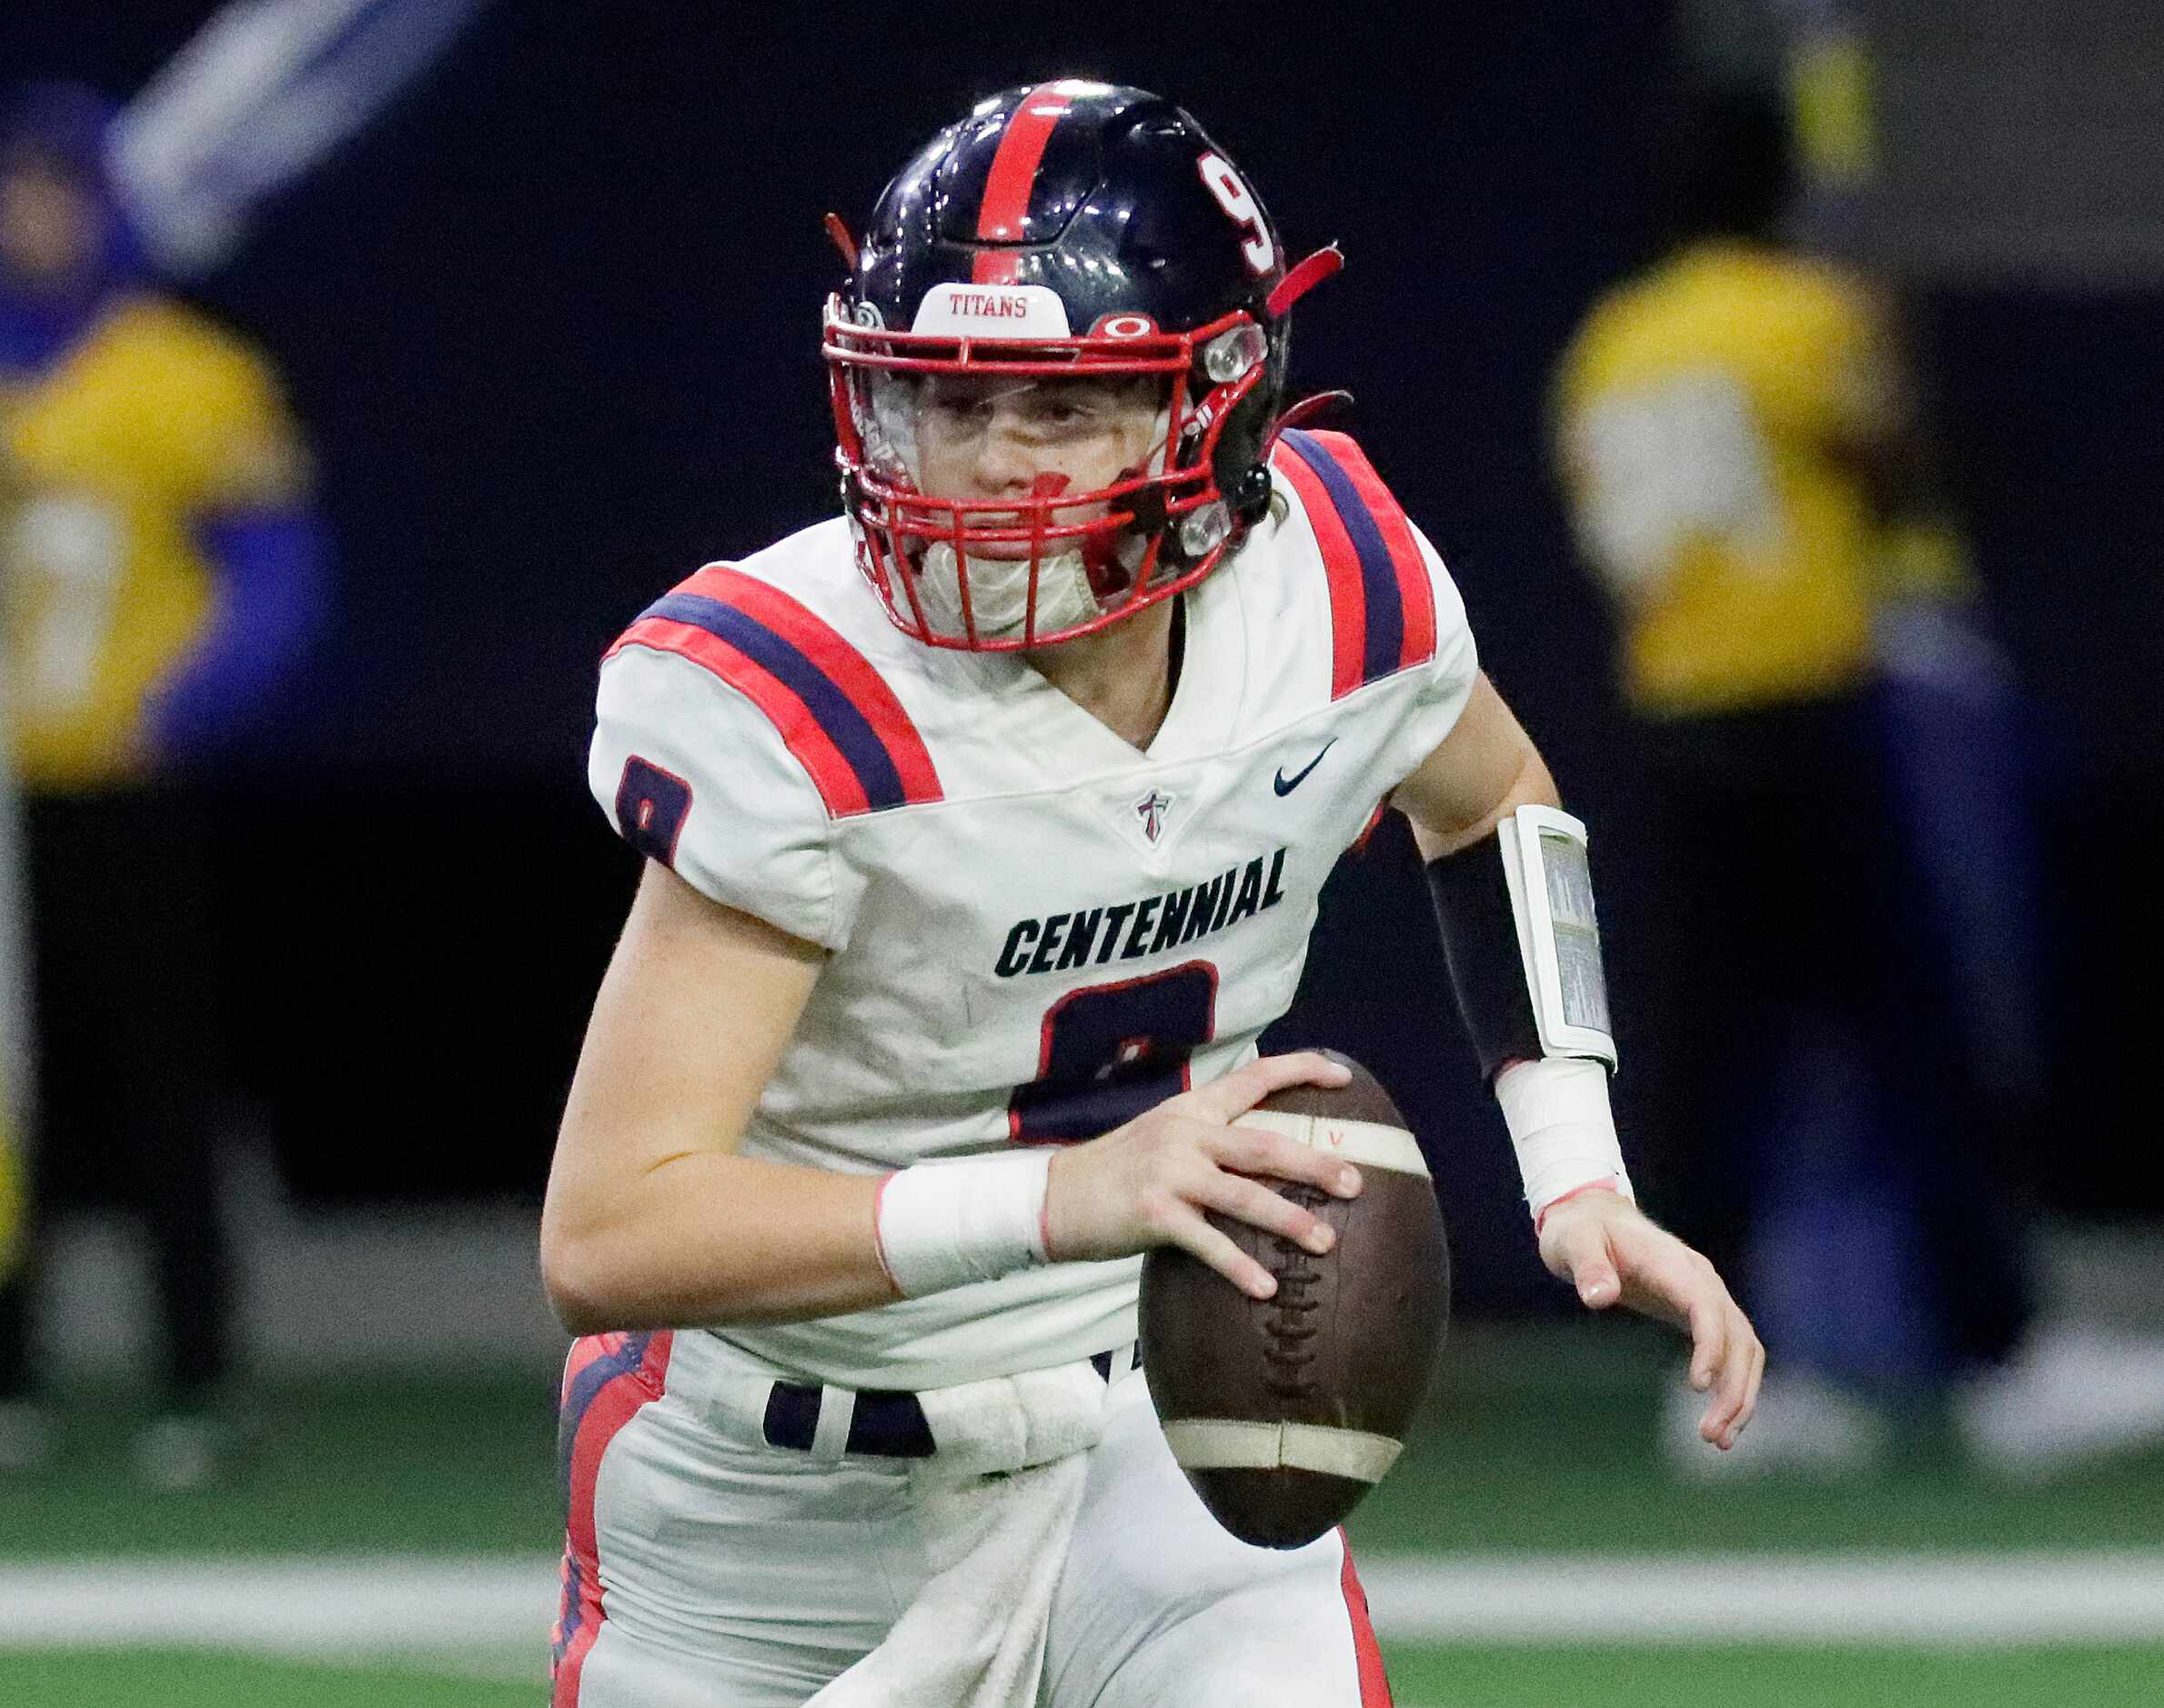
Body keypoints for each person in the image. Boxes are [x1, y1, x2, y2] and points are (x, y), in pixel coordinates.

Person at [541, 81, 1760, 1708]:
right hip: (770, 1506)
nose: (984, 467)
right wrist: (1065, 1198)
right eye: (941, 402)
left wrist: (1577, 1175)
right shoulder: (799, 694)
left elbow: (1494, 802)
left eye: (1059, 407)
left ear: (1222, 411)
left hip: (1151, 1439)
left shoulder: (1334, 587)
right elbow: (612, 1226)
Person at [1551, 81, 2164, 1478]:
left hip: (1680, 729)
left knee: (1716, 1071)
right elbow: (1898, 482)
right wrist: (1872, 348)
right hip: (1813, 720)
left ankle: (1701, 1386)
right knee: (1921, 1047)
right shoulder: (1804, 314)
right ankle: (2004, 1362)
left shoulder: (1614, 344)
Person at [0, 82, 329, 1487]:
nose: (37, 218)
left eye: (59, 190)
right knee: (6, 1099)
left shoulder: (192, 377)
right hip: (2, 800)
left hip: (130, 791)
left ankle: (195, 1375)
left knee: (161, 1088)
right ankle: (9, 1374)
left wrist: (185, 705)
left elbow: (277, 574)